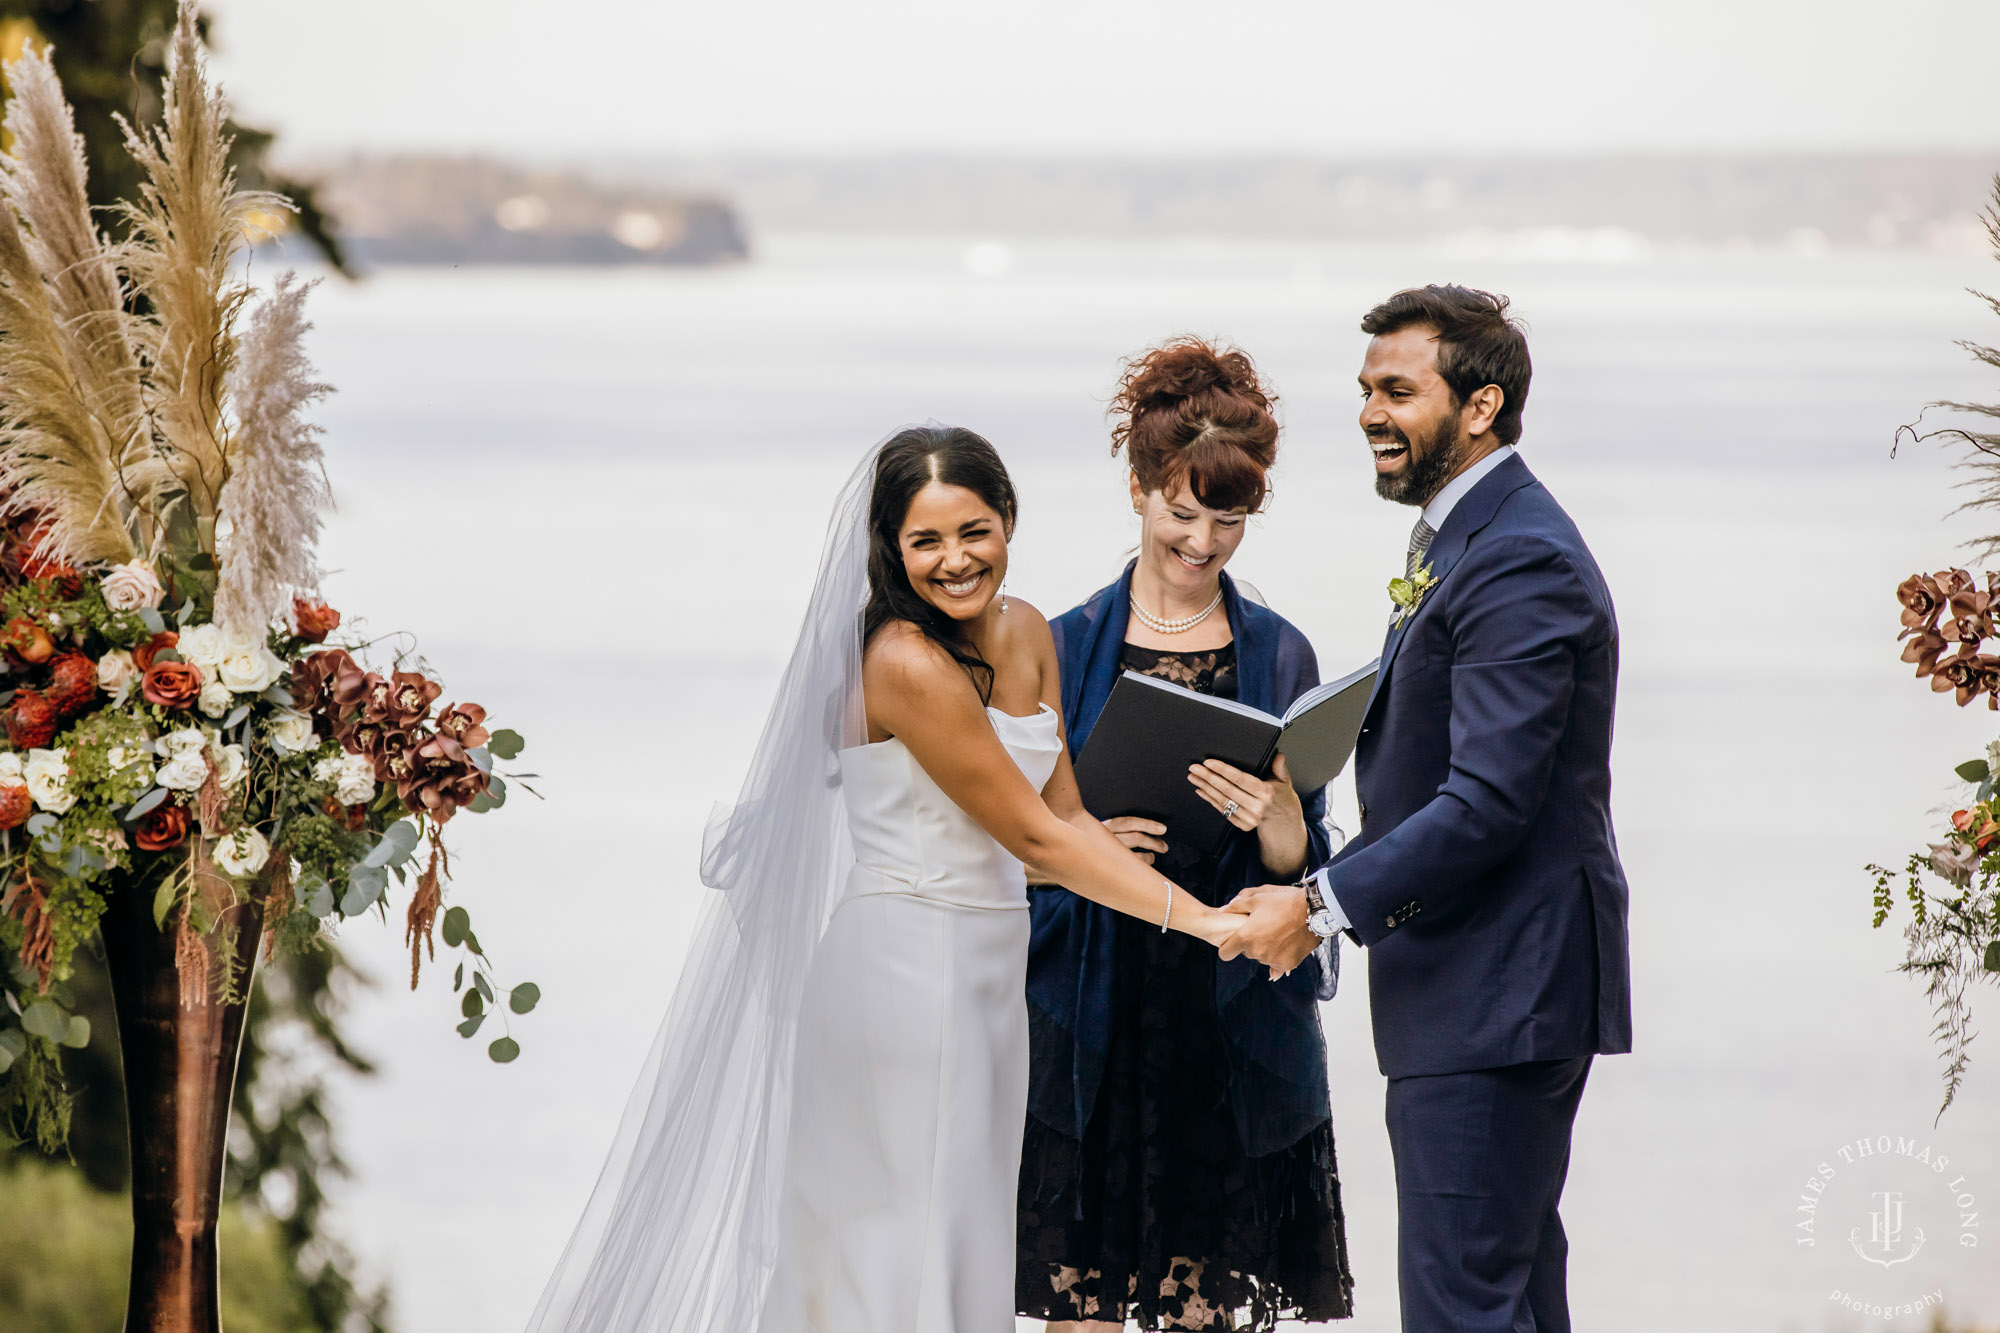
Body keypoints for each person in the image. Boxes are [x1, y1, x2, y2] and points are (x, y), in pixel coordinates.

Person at [528, 425, 1246, 1333]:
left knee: (962, 1233)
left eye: (974, 530)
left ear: (1010, 520)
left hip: (989, 976)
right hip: (906, 972)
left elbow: (1063, 817)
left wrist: (1162, 869)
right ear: (892, 550)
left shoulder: (1026, 631)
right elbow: (1031, 834)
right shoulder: (903, 661)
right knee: (898, 1248)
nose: (955, 560)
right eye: (926, 541)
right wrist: (1214, 923)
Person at [1225, 287, 1632, 1333]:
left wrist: (1313, 903)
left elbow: (1488, 801)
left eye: (1397, 390)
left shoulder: (1518, 557)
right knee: (1509, 1292)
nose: (1369, 411)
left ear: (1481, 404)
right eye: (1364, 388)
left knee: (1461, 1307)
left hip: (1497, 990)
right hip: (1484, 988)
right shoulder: (1460, 537)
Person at [1018, 339, 1354, 1333]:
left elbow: (1302, 876)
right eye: (1180, 511)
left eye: (1228, 517)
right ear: (1136, 490)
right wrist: (1083, 847)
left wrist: (1286, 828)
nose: (1201, 541)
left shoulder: (1280, 649)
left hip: (1223, 1026)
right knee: (1078, 1315)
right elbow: (1011, 843)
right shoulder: (1063, 643)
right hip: (1088, 1019)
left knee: (1204, 1316)